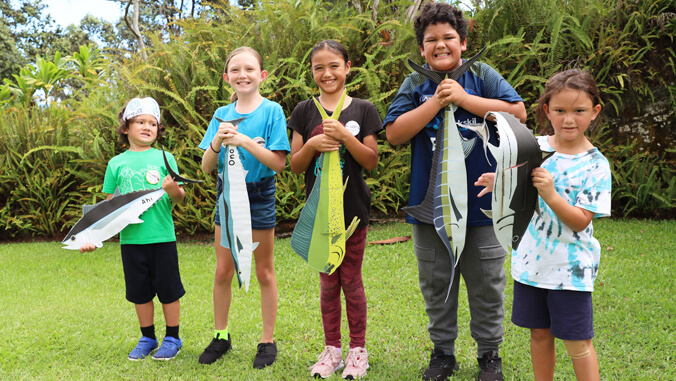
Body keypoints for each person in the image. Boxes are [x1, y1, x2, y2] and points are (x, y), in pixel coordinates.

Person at [383, 2, 527, 380]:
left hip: (485, 207)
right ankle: (443, 352)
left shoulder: (481, 74)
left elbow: (519, 112)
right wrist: (436, 101)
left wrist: (463, 99)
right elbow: (395, 133)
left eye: (449, 37)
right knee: (436, 284)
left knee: (487, 283)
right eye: (432, 40)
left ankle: (489, 354)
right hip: (429, 210)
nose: (441, 44)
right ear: (421, 49)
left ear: (463, 42)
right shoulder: (416, 83)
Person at [488, 69, 609, 381]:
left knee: (577, 342)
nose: (569, 119)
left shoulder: (596, 165)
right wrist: (499, 180)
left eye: (579, 111)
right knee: (539, 335)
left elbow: (581, 221)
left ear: (594, 113)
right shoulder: (533, 148)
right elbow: (517, 184)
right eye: (560, 111)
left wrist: (551, 194)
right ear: (546, 111)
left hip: (570, 271)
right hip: (531, 265)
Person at [287, 40, 382, 379]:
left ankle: (358, 352)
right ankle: (332, 351)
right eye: (318, 68)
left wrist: (345, 136)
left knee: (351, 281)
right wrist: (312, 144)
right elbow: (295, 167)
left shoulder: (363, 109)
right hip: (319, 216)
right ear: (311, 71)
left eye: (334, 66)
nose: (326, 73)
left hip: (353, 213)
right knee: (328, 284)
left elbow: (370, 161)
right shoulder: (303, 111)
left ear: (348, 66)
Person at [198, 46, 290, 369]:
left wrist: (247, 143)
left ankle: (267, 340)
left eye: (249, 69)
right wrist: (217, 142)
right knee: (223, 270)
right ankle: (221, 335)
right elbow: (207, 167)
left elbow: (278, 163)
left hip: (260, 195)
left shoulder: (273, 112)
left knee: (264, 270)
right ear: (227, 78)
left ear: (262, 75)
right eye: (235, 70)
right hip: (227, 196)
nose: (243, 75)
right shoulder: (221, 114)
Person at [80, 97, 187, 361]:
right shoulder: (116, 164)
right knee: (140, 292)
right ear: (126, 127)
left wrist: (174, 190)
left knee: (168, 289)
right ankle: (147, 337)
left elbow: (179, 197)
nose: (147, 127)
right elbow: (109, 207)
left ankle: (173, 337)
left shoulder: (165, 157)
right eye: (140, 121)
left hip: (162, 237)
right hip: (131, 241)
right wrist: (93, 236)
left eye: (153, 123)